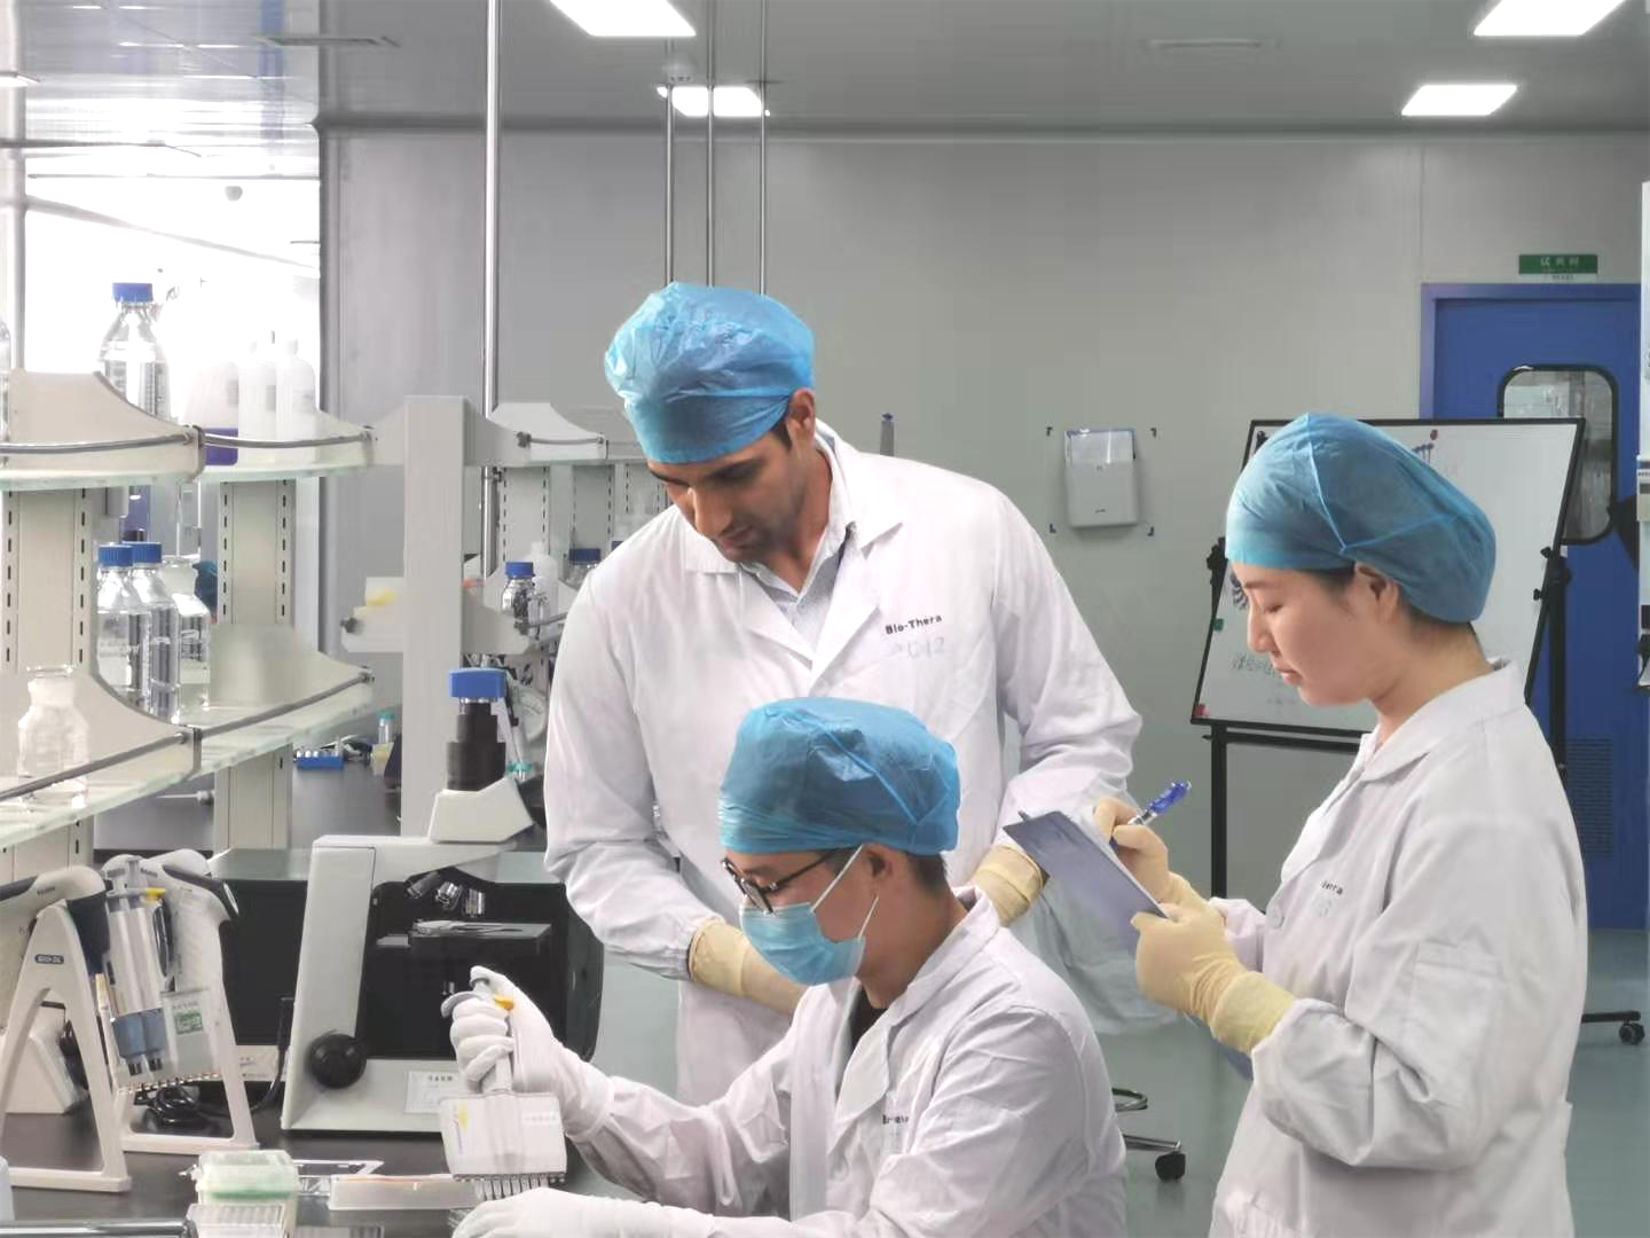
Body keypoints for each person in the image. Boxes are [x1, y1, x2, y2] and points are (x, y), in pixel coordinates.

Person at [545, 282, 1143, 1102]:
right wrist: (731, 960)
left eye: (732, 475)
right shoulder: (624, 601)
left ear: (800, 417)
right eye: (672, 484)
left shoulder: (965, 529)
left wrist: (1007, 881)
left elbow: (1083, 735)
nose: (705, 518)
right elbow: (596, 845)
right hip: (756, 1040)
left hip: (973, 1003)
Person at [1107, 414, 1586, 1238]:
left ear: (1374, 587)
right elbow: (1334, 984)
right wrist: (1183, 910)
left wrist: (1223, 992)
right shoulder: (1403, 747)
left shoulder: (1482, 809)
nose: (1255, 637)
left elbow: (1425, 1104)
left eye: (1271, 601)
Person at [451, 698, 1127, 1238]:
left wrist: (618, 1230)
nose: (752, 912)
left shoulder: (1016, 1028)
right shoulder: (842, 998)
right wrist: (576, 1091)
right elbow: (721, 1161)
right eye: (741, 882)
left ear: (877, 864)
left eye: (770, 885)